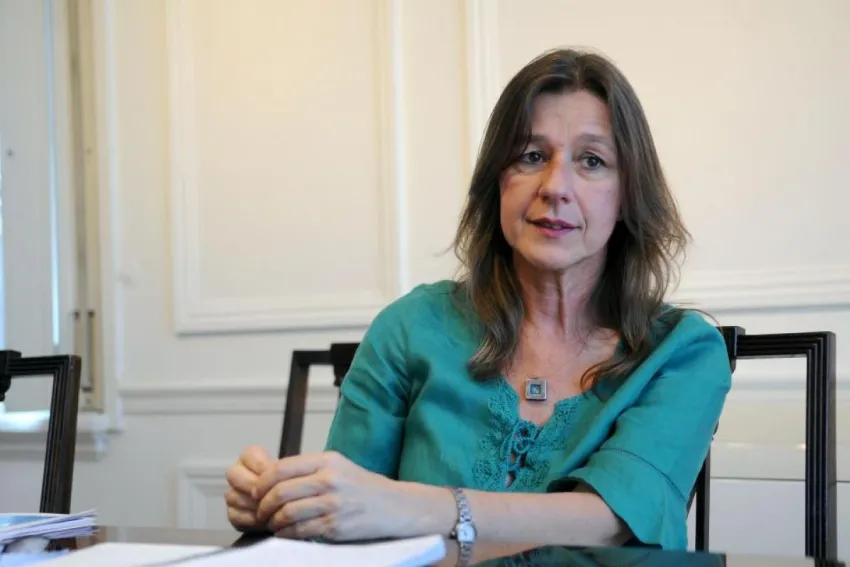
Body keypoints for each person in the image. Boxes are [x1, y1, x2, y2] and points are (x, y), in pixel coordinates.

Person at [224, 47, 732, 554]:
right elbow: (345, 516)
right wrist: (282, 503)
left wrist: (414, 506)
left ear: (627, 195)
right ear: (498, 182)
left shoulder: (683, 352)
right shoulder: (410, 328)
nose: (555, 187)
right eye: (531, 156)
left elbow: (609, 521)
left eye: (592, 161)